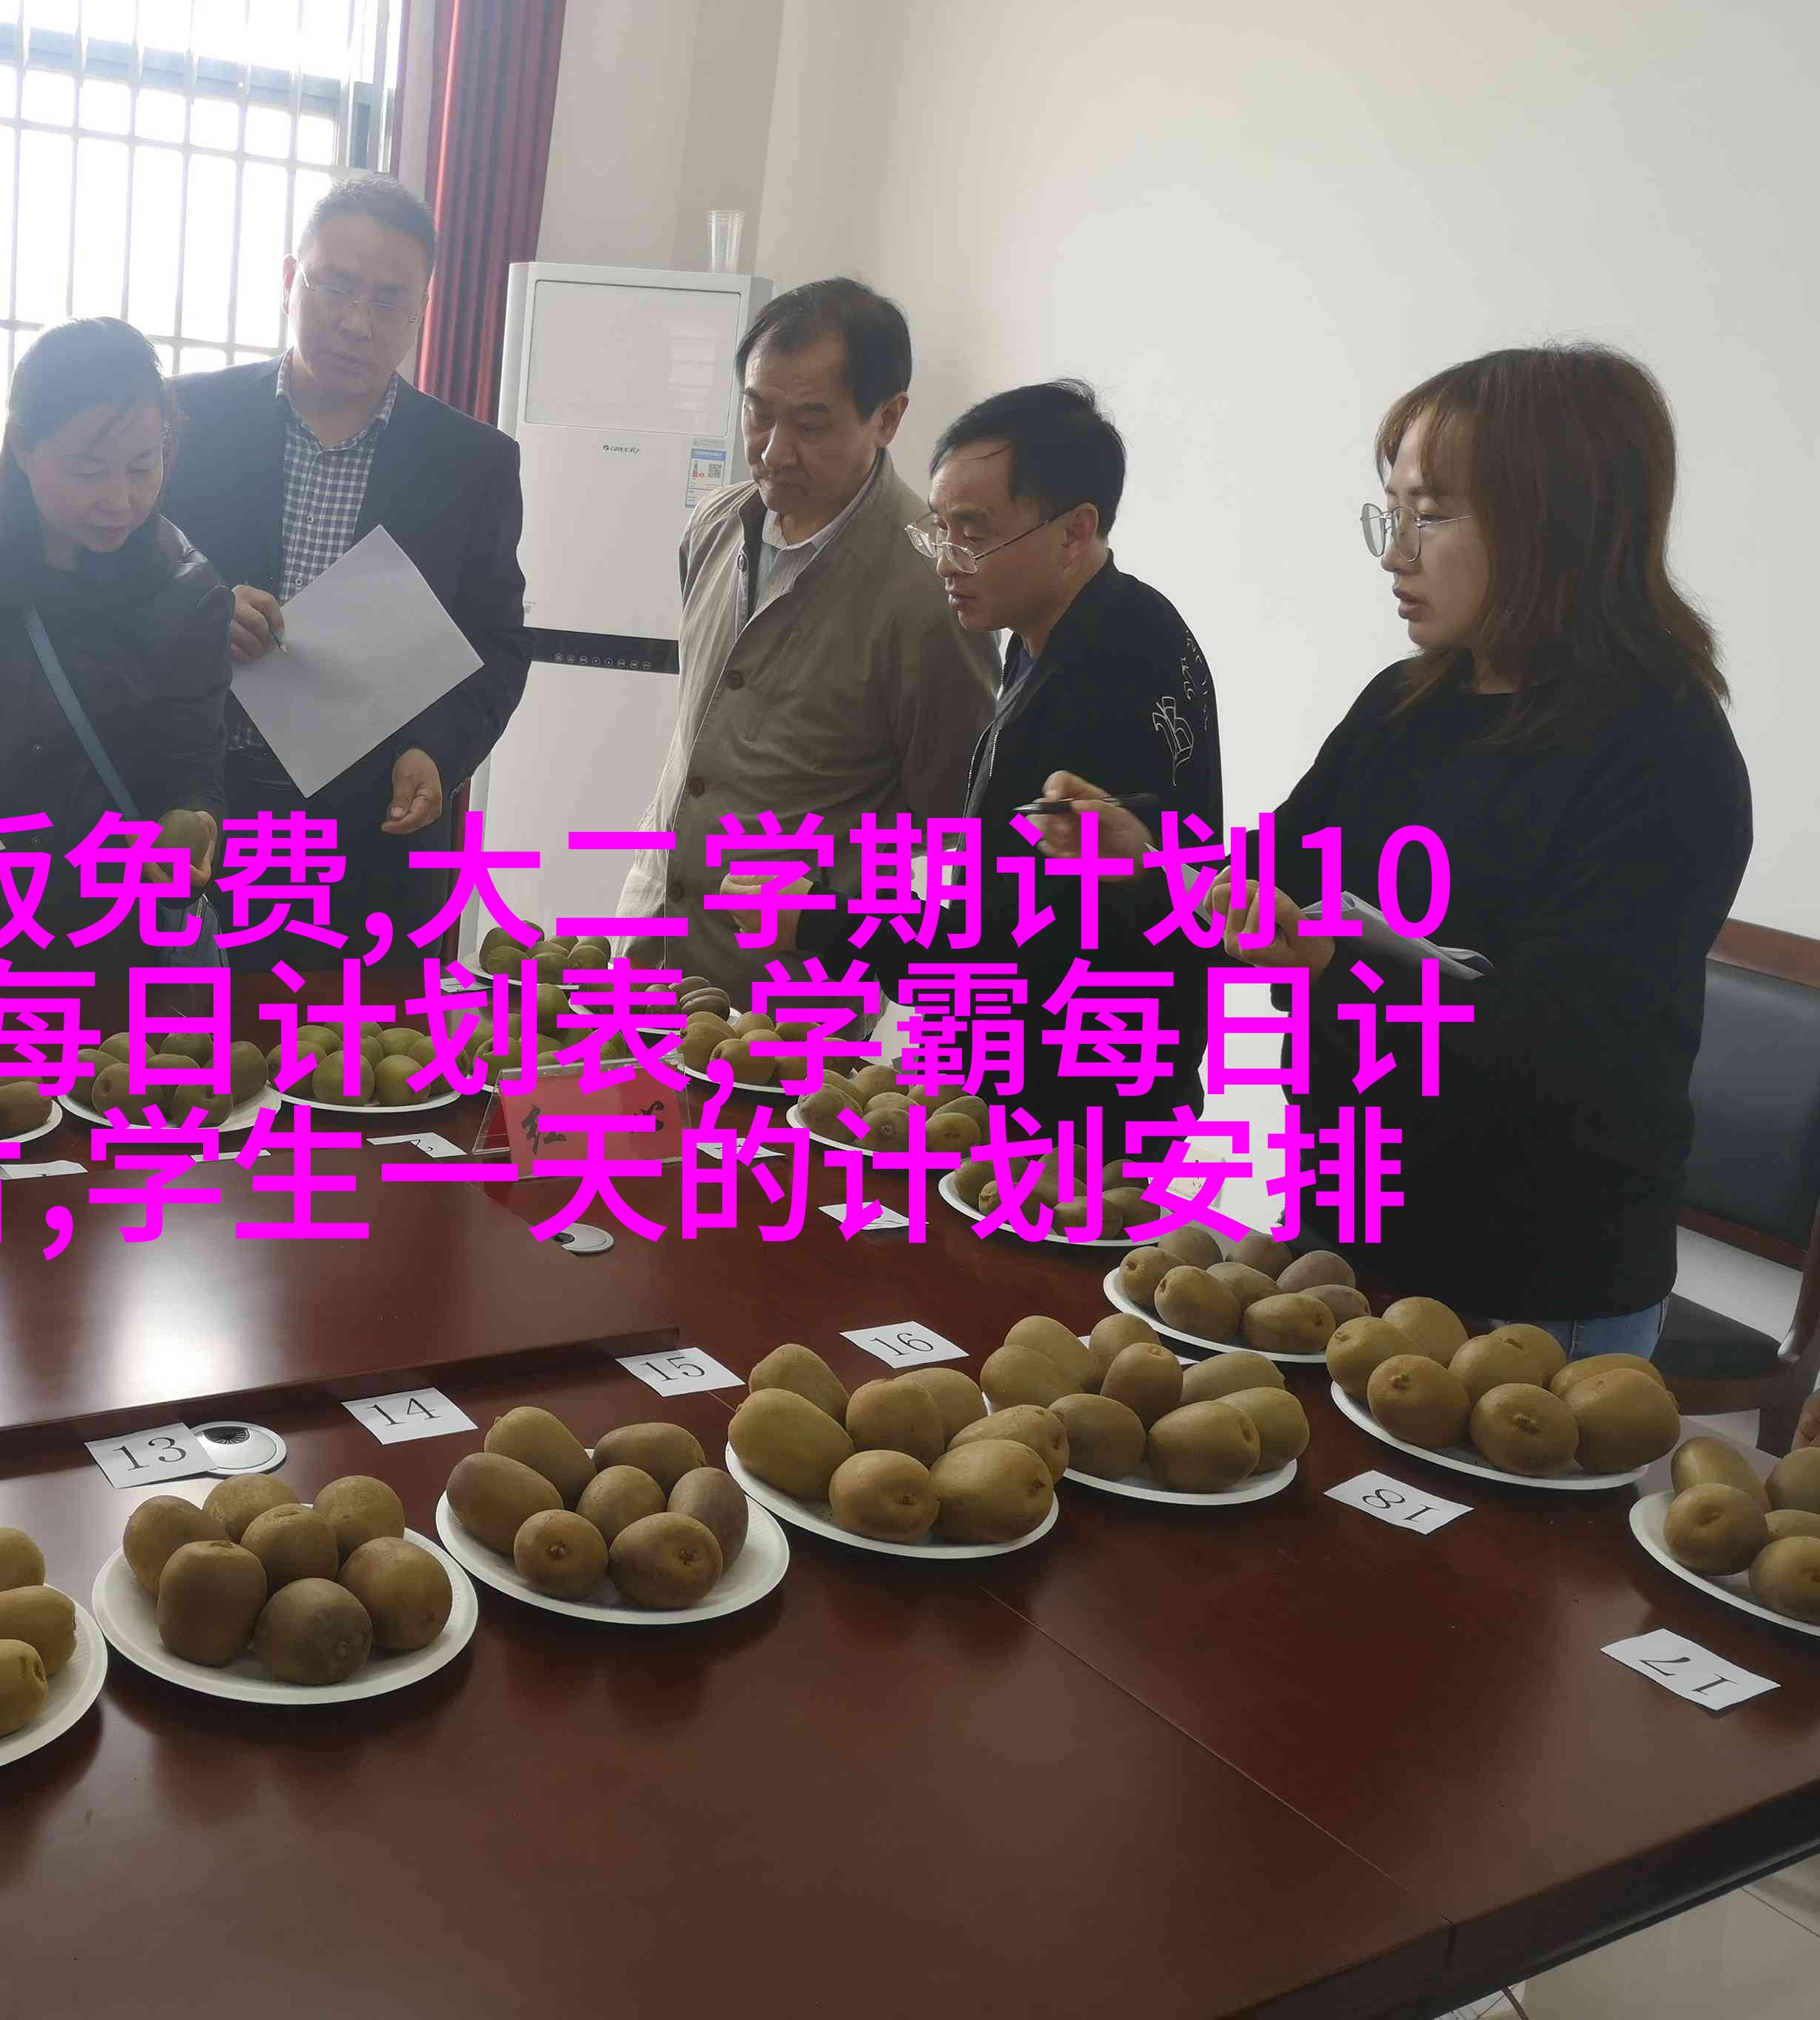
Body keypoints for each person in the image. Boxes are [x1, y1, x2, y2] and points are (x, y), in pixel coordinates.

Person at [1040, 344, 1750, 1351]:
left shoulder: (1665, 755)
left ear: (1558, 523)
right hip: (1343, 1226)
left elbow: (1566, 1049)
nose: (1394, 554)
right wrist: (1146, 859)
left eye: (1431, 516)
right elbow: (1271, 880)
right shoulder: (1403, 707)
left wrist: (1334, 957)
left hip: (1534, 1280)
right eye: (1391, 514)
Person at [157, 174, 527, 949]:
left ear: (423, 309)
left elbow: (495, 643)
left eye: (390, 301)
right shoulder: (186, 419)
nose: (357, 322)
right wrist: (200, 614)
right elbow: (110, 583)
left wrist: (437, 749)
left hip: (370, 839)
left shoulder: (473, 464)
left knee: (357, 1029)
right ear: (291, 280)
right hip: (194, 818)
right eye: (336, 287)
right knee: (182, 1026)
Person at [616, 278, 998, 1005]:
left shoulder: (934, 589)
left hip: (789, 1007)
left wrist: (828, 912)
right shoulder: (714, 526)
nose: (774, 451)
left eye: (811, 425)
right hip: (649, 948)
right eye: (757, 414)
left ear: (888, 418)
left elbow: (949, 824)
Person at [0, 318, 230, 1028]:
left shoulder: (188, 591)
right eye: (87, 470)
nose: (120, 500)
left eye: (143, 467)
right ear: (22, 445)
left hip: (91, 940)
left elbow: (195, 772)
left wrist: (194, 825)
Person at [923, 380, 1221, 1160]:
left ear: (1075, 530)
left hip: (1078, 1107)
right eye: (939, 530)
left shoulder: (1109, 673)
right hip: (1068, 1080)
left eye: (973, 533)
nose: (948, 559)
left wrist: (828, 922)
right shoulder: (1075, 626)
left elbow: (1016, 944)